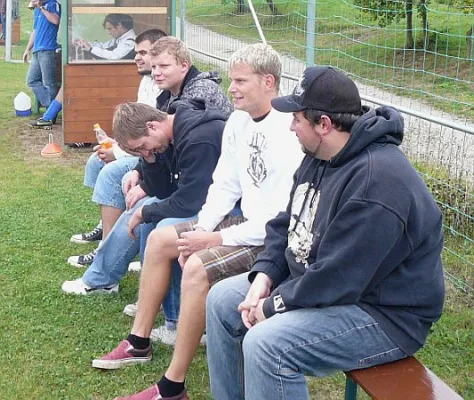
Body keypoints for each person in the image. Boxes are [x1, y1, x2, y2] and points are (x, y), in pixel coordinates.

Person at [205, 65, 446, 400]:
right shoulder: (320, 154)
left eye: (297, 119)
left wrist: (273, 305)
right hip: (326, 283)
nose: (290, 126)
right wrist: (265, 274)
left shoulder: (378, 183)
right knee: (221, 299)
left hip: (384, 314)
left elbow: (338, 277)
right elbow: (285, 221)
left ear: (324, 124)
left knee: (269, 344)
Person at [91, 43, 304, 400]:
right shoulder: (238, 121)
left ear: (269, 82)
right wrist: (203, 229)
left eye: (240, 80)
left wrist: (214, 241)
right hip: (241, 220)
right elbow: (223, 185)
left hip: (268, 237)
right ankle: (138, 341)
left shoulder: (290, 131)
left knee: (197, 266)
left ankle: (172, 385)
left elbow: (279, 218)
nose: (230, 88)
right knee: (161, 239)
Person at [68, 36, 233, 268]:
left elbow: (169, 145)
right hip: (177, 164)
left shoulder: (200, 94)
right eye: (153, 66)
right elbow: (154, 137)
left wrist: (144, 183)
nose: (156, 72)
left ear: (184, 65)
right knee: (109, 170)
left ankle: (111, 262)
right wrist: (141, 167)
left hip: (205, 177)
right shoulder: (166, 93)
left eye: (163, 66)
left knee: (122, 182)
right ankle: (109, 243)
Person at [65, 28, 167, 264]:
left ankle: (106, 251)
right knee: (97, 160)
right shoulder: (146, 81)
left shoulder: (164, 85)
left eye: (143, 52)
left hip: (154, 155)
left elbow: (154, 138)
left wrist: (118, 152)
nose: (137, 57)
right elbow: (138, 127)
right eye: (136, 53)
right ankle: (105, 226)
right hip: (143, 150)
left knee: (111, 172)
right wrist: (115, 143)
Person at [23, 0, 60, 109]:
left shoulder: (53, 4)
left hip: (48, 49)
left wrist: (41, 8)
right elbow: (35, 31)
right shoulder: (37, 10)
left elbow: (56, 20)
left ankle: (50, 114)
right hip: (37, 50)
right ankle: (51, 108)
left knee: (49, 83)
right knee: (31, 80)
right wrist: (27, 49)